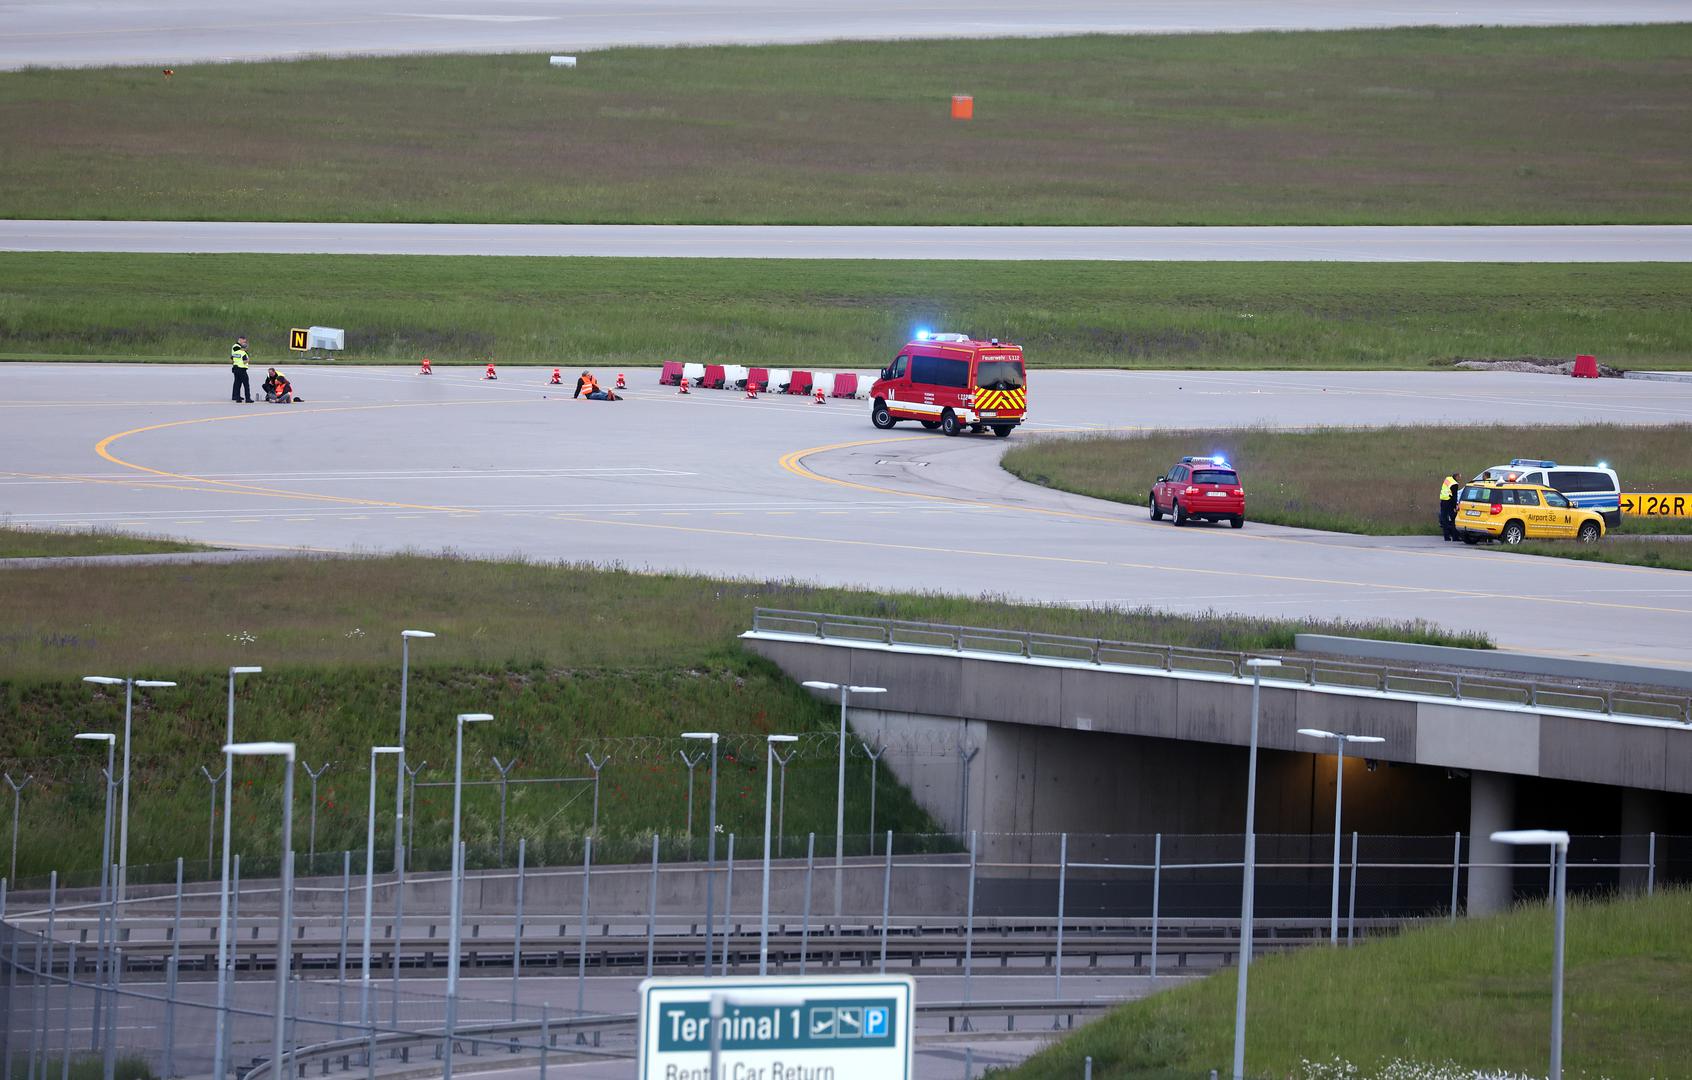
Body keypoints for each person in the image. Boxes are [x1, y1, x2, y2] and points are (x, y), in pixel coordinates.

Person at [1439, 471, 1462, 541]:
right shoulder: (1454, 484)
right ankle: (1455, 537)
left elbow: (1446, 489)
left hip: (1443, 500)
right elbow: (1454, 496)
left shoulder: (1448, 479)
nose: (1460, 479)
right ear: (1456, 477)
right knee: (1453, 519)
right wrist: (1455, 506)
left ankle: (1446, 537)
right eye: (1459, 477)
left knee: (1444, 519)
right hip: (1449, 502)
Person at [230, 335, 253, 403]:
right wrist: (248, 360)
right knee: (246, 385)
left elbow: (231, 358)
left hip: (235, 368)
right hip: (242, 369)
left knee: (237, 383)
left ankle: (237, 398)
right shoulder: (242, 352)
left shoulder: (236, 353)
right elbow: (244, 361)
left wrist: (235, 362)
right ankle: (248, 398)